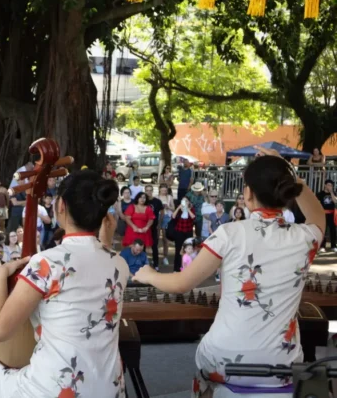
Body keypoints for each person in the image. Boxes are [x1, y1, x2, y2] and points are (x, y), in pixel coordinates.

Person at [133, 146, 326, 396]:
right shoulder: (306, 237)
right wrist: (291, 173)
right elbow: (317, 213)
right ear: (288, 192)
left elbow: (182, 284)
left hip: (225, 359)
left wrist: (148, 274)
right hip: (282, 364)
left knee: (205, 366)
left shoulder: (229, 233)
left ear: (247, 193)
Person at [0, 167, 125, 398]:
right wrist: (107, 239)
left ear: (61, 206)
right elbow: (97, 259)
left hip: (59, 390)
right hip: (110, 388)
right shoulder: (119, 264)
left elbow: (0, 331)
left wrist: (0, 276)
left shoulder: (48, 262)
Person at [171, 197, 196, 272]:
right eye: (183, 201)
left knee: (189, 249)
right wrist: (178, 208)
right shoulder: (179, 210)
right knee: (178, 250)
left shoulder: (191, 209)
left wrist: (187, 209)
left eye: (186, 201)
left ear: (189, 202)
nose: (184, 202)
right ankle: (176, 268)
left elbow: (193, 217)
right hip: (179, 232)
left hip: (188, 232)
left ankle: (188, 268)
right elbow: (173, 216)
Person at [317, 179, 336, 251]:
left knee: (332, 230)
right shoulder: (320, 194)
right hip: (323, 214)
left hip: (332, 214)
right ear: (325, 185)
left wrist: (331, 192)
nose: (330, 186)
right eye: (328, 185)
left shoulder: (333, 193)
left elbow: (335, 201)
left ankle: (333, 246)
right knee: (323, 230)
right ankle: (322, 246)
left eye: (331, 185)